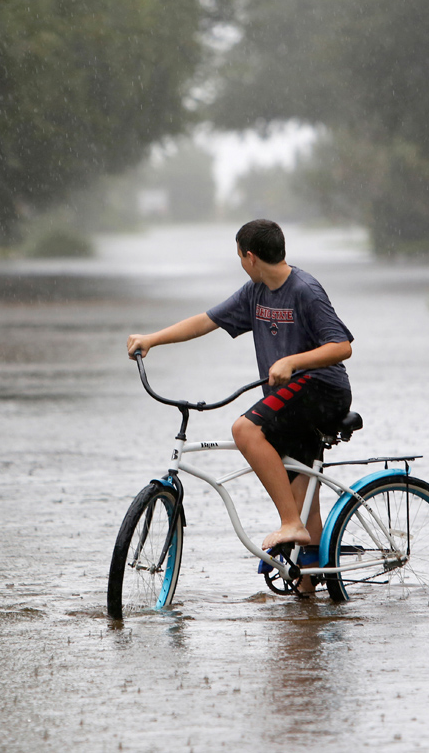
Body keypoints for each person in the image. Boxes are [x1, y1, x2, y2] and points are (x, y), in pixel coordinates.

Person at [126, 219, 354, 576]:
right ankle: (310, 598)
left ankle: (289, 522)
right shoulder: (256, 292)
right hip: (292, 403)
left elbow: (342, 346)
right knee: (305, 504)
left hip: (322, 390)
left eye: (239, 257)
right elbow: (206, 320)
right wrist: (152, 339)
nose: (241, 264)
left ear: (250, 257)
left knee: (245, 430)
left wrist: (292, 361)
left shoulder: (305, 289)